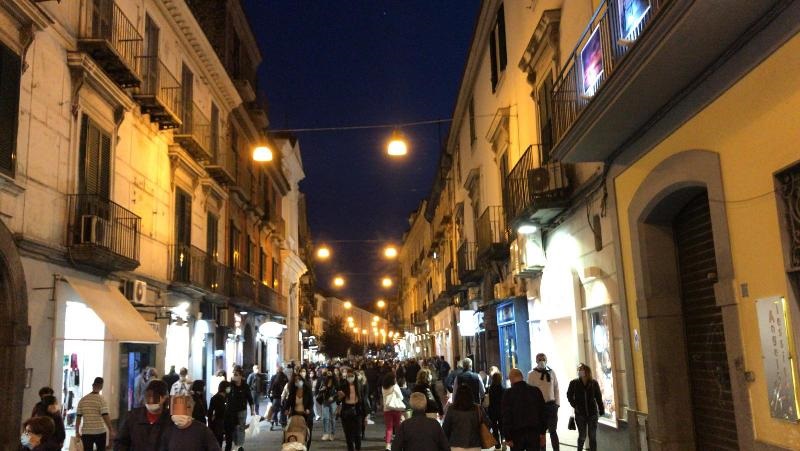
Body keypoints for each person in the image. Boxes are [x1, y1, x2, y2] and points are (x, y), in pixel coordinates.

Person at [114, 379, 171, 451]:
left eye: (156, 397)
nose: (151, 401)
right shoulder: (133, 416)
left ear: (164, 397)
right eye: (148, 396)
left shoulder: (170, 420)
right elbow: (120, 442)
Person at [501, 369, 546, 451]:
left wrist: (507, 437)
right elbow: (543, 413)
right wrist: (543, 433)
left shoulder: (508, 394)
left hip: (516, 435)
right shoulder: (535, 391)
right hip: (534, 433)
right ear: (522, 377)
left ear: (511, 379)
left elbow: (506, 416)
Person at [567, 364, 604, 451]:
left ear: (587, 371)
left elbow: (598, 397)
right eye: (579, 370)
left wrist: (601, 408)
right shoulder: (574, 383)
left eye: (582, 369)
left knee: (592, 437)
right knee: (582, 436)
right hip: (580, 414)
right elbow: (569, 395)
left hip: (592, 414)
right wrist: (575, 405)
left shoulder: (594, 383)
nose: (580, 371)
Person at [528, 353, 560, 451]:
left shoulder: (551, 372)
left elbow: (556, 388)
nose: (541, 361)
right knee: (541, 433)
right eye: (539, 359)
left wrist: (557, 404)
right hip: (539, 407)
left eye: (543, 359)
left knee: (553, 431)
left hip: (551, 406)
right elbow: (529, 392)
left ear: (546, 360)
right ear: (536, 361)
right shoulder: (532, 374)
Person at [442, 385, 489, 451]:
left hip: (455, 445)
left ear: (457, 396)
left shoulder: (451, 409)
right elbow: (488, 424)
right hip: (474, 444)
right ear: (471, 395)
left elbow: (445, 428)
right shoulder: (477, 408)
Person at [76, 377, 115, 451]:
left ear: (92, 385)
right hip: (100, 432)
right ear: (101, 386)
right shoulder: (101, 400)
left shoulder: (82, 400)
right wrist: (111, 429)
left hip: (86, 432)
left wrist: (77, 431)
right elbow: (105, 416)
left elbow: (78, 418)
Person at [337, 368, 369, 451]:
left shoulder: (359, 386)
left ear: (355, 377)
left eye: (352, 376)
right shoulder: (343, 386)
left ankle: (358, 448)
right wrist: (340, 397)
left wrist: (366, 415)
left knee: (357, 434)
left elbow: (363, 401)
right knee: (348, 435)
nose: (350, 378)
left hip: (357, 411)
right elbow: (338, 401)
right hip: (346, 411)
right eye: (348, 376)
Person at [225, 368, 255, 451]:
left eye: (236, 375)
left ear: (241, 376)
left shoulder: (245, 386)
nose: (234, 376)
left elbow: (250, 399)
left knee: (240, 428)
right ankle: (236, 444)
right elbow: (226, 396)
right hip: (231, 411)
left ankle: (239, 445)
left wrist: (252, 410)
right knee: (234, 428)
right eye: (234, 374)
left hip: (242, 411)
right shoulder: (230, 385)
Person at [284, 372, 314, 450]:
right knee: (294, 433)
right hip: (295, 415)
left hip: (306, 416)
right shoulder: (293, 391)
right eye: (296, 380)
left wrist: (308, 409)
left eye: (299, 379)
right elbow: (288, 402)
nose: (297, 381)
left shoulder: (308, 390)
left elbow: (311, 403)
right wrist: (286, 409)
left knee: (307, 434)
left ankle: (307, 448)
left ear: (302, 380)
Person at [381, 372, 406, 451]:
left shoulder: (383, 387)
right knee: (398, 427)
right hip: (395, 408)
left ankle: (388, 445)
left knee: (389, 428)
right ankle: (398, 443)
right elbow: (401, 397)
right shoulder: (395, 386)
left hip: (387, 409)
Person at [316, 370, 339, 441]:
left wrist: (333, 397)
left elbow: (339, 391)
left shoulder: (336, 381)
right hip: (325, 401)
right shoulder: (324, 380)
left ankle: (332, 433)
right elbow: (319, 389)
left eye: (330, 371)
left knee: (332, 419)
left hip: (333, 402)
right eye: (328, 371)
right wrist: (322, 389)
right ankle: (326, 433)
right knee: (325, 418)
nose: (329, 373)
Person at [486, 372, 506, 450]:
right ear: (500, 379)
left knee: (494, 428)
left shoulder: (490, 389)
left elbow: (488, 401)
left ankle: (497, 445)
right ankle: (503, 440)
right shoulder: (503, 389)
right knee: (502, 427)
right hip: (501, 411)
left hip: (492, 411)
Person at [208, 381, 229, 447]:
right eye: (228, 387)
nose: (230, 389)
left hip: (221, 422)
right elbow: (211, 412)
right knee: (218, 441)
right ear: (225, 388)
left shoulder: (226, 397)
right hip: (219, 423)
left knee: (220, 441)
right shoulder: (217, 398)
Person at [268, 364, 289, 429]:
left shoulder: (274, 377)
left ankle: (273, 423)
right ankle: (283, 424)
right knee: (283, 410)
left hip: (275, 397)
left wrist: (270, 396)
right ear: (282, 370)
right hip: (283, 397)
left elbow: (271, 387)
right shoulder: (285, 377)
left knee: (274, 411)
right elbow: (287, 387)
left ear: (277, 370)